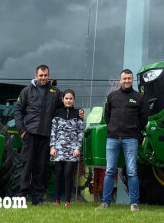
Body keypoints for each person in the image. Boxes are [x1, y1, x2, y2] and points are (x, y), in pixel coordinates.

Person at [95, 69, 148, 212]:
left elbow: (144, 119)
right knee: (110, 170)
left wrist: (135, 131)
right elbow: (107, 116)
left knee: (131, 171)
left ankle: (134, 203)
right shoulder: (112, 96)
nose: (126, 81)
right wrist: (113, 128)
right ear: (120, 80)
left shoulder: (139, 97)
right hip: (113, 138)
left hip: (131, 139)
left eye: (129, 78)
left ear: (132, 80)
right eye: (124, 78)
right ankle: (105, 202)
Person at [14, 64, 63, 205]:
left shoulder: (55, 92)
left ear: (49, 75)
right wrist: (22, 130)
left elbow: (63, 110)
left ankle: (37, 198)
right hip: (29, 134)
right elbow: (18, 110)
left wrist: (77, 113)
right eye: (40, 75)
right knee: (27, 166)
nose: (43, 78)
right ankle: (21, 196)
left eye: (45, 75)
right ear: (36, 76)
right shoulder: (26, 91)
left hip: (46, 136)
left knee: (41, 168)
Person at [50, 89, 84, 207]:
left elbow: (80, 132)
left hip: (73, 149)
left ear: (74, 100)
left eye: (71, 98)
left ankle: (67, 201)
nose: (68, 101)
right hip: (58, 148)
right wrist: (52, 147)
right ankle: (57, 200)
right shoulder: (57, 112)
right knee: (58, 174)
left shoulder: (78, 113)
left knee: (68, 175)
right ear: (62, 99)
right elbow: (53, 131)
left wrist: (78, 148)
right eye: (66, 98)